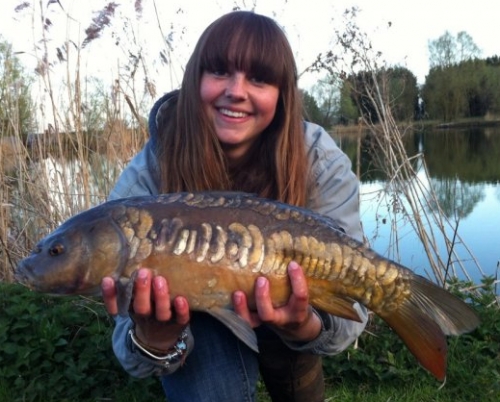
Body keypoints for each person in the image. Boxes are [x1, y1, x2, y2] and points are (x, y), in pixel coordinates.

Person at [101, 10, 368, 402]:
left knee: (293, 332)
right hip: (199, 325)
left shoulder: (318, 159)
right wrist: (153, 338)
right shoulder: (146, 179)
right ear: (196, 81)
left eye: (258, 78)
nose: (236, 90)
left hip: (287, 304)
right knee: (208, 384)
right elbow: (128, 349)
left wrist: (305, 326)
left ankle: (294, 361)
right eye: (219, 72)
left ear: (282, 93)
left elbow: (354, 311)